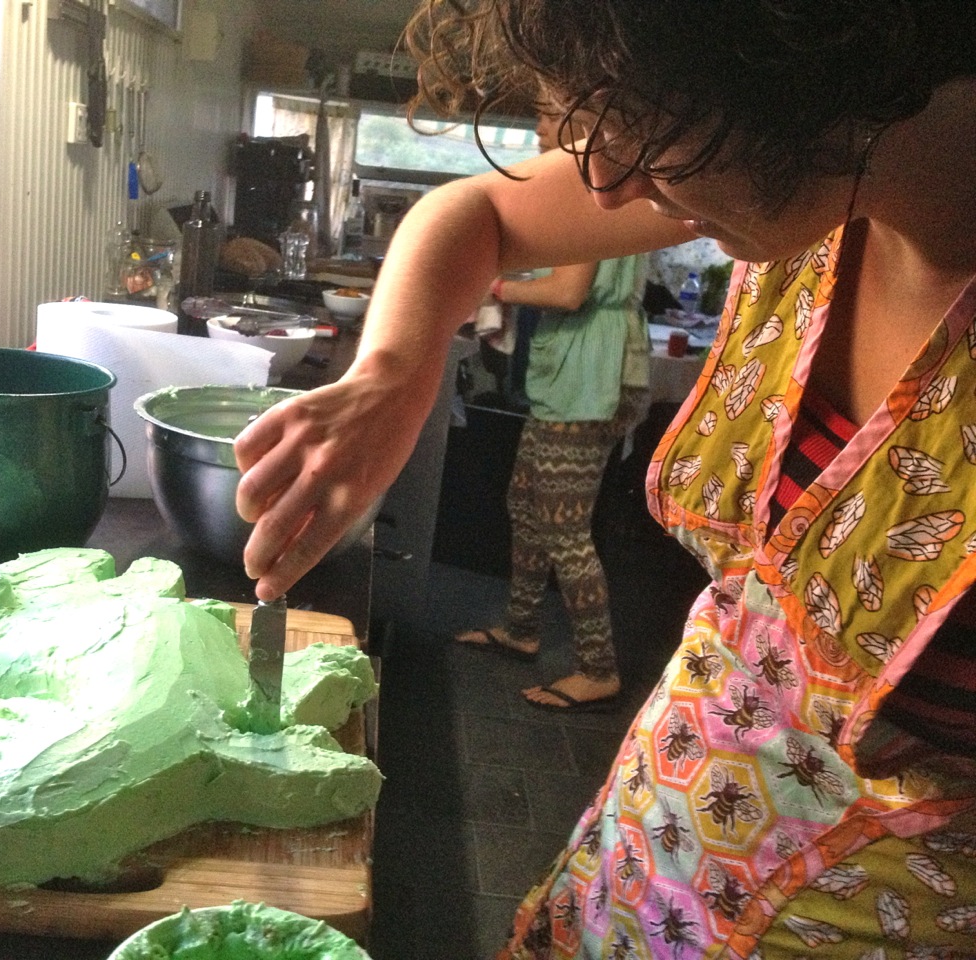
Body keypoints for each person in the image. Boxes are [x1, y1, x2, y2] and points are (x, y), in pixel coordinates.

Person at [234, 1, 976, 956]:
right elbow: (479, 213)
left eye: (646, 125)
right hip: (637, 879)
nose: (609, 185)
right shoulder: (827, 199)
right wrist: (393, 370)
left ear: (814, 55)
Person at [456, 249, 649, 713]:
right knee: (524, 501)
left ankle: (598, 670)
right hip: (578, 367)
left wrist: (497, 287)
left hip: (591, 371)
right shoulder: (594, 194)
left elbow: (567, 291)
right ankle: (521, 629)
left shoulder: (591, 198)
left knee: (566, 529)